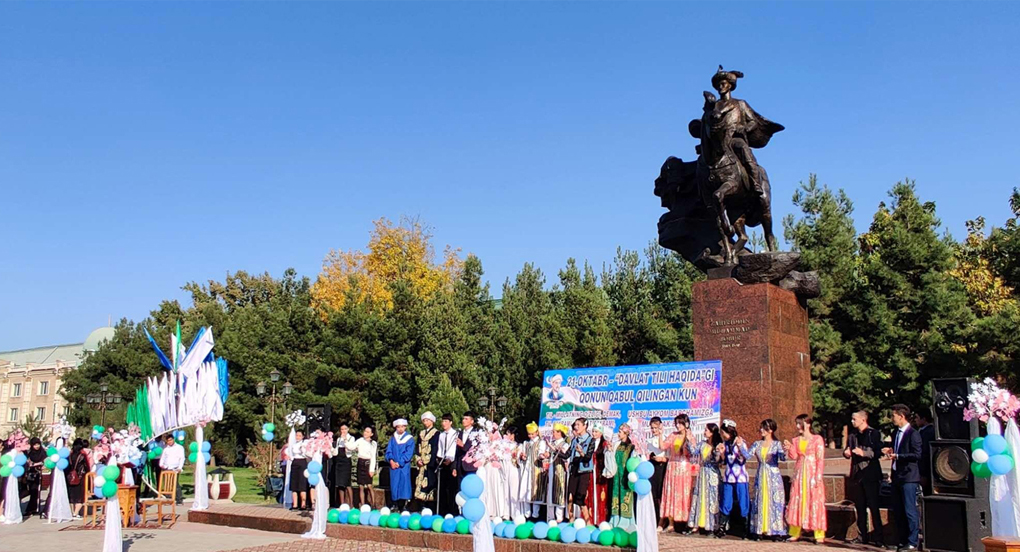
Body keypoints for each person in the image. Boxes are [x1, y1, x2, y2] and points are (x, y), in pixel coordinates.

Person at [883, 404, 922, 552]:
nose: (892, 418)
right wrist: (890, 451)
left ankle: (912, 541)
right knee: (898, 510)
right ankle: (902, 540)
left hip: (909, 477)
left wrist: (898, 456)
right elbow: (897, 449)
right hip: (897, 476)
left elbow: (917, 454)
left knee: (909, 510)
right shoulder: (895, 432)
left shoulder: (913, 434)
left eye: (893, 416)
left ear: (901, 416)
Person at [784, 414, 826, 544]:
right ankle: (795, 531)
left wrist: (818, 476)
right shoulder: (796, 440)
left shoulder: (817, 439)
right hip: (799, 473)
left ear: (808, 424)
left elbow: (820, 459)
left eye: (800, 423)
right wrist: (790, 448)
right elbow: (794, 456)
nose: (798, 426)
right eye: (796, 424)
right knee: (797, 500)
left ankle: (818, 533)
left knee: (815, 501)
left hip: (812, 473)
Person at [844, 411, 884, 547]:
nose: (852, 421)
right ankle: (862, 536)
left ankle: (878, 537)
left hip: (870, 474)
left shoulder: (874, 433)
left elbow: (878, 452)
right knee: (860, 507)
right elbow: (847, 449)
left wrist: (864, 453)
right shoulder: (852, 435)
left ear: (863, 419)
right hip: (857, 474)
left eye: (854, 419)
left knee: (873, 506)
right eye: (852, 419)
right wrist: (846, 453)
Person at [747, 419, 786, 541]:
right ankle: (759, 529)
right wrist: (740, 446)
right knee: (760, 500)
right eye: (761, 427)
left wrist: (786, 450)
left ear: (771, 430)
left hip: (773, 477)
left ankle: (775, 531)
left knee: (774, 502)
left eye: (764, 428)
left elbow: (782, 458)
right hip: (761, 475)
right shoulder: (757, 444)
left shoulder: (776, 444)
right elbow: (747, 455)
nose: (761, 430)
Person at [661, 414, 696, 533]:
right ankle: (671, 522)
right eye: (676, 423)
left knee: (683, 493)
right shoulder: (673, 435)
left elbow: (693, 452)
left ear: (686, 424)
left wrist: (688, 438)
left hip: (684, 468)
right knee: (671, 493)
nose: (678, 425)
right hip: (672, 467)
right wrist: (660, 434)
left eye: (680, 423)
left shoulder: (690, 436)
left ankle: (685, 520)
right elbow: (663, 446)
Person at [688, 423, 723, 534]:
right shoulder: (702, 444)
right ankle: (698, 523)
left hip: (712, 473)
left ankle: (712, 524)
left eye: (706, 430)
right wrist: (689, 440)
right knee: (700, 496)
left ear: (712, 433)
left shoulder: (718, 445)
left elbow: (718, 461)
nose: (704, 432)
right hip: (702, 473)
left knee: (712, 498)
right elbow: (693, 451)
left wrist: (717, 452)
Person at [718, 420, 750, 538]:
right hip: (728, 477)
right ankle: (722, 526)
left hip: (740, 477)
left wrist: (740, 446)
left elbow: (746, 457)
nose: (722, 435)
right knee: (726, 501)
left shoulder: (740, 442)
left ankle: (745, 527)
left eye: (724, 433)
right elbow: (724, 462)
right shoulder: (725, 444)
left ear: (730, 432)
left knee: (743, 501)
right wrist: (721, 453)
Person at [567, 418, 595, 524]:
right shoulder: (574, 440)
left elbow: (588, 457)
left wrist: (581, 452)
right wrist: (554, 450)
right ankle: (570, 521)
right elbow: (567, 454)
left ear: (585, 426)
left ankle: (588, 523)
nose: (576, 427)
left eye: (578, 425)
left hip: (584, 471)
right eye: (575, 425)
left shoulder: (590, 440)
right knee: (570, 496)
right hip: (574, 469)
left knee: (580, 498)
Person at [609, 423, 636, 528]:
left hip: (626, 474)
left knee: (626, 496)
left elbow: (633, 461)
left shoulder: (631, 446)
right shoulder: (617, 445)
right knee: (616, 495)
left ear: (626, 433)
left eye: (620, 432)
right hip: (617, 474)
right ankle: (615, 519)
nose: (618, 434)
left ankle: (626, 520)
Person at [585, 424, 612, 526]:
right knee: (590, 494)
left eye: (596, 432)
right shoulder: (590, 442)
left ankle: (601, 519)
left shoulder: (604, 444)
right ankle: (591, 520)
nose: (594, 433)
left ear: (601, 433)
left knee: (601, 495)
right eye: (593, 431)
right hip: (591, 472)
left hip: (600, 473)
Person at [519, 422, 548, 520]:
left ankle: (535, 514)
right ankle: (527, 514)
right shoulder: (526, 443)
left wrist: (541, 456)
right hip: (527, 469)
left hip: (536, 469)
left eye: (532, 434)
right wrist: (522, 456)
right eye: (529, 434)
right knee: (526, 490)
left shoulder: (541, 442)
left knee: (535, 490)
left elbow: (541, 453)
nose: (531, 436)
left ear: (536, 432)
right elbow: (523, 455)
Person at [413, 412, 440, 510]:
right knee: (420, 483)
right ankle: (421, 505)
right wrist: (418, 459)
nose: (425, 422)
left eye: (427, 420)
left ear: (432, 421)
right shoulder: (421, 433)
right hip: (421, 464)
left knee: (429, 483)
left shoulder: (436, 433)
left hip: (430, 464)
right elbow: (417, 447)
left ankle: (430, 505)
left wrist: (427, 460)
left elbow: (435, 448)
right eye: (424, 420)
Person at [386, 418, 415, 511]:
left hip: (403, 466)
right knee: (394, 485)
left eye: (402, 426)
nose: (400, 429)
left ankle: (404, 505)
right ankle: (395, 504)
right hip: (393, 466)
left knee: (404, 485)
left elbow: (409, 453)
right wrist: (391, 461)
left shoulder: (409, 439)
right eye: (398, 427)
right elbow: (389, 451)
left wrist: (400, 462)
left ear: (405, 427)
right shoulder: (393, 439)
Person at [547, 423, 571, 523]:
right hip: (551, 470)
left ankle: (559, 517)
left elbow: (565, 457)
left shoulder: (565, 444)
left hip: (560, 470)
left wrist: (555, 450)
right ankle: (550, 517)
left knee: (559, 491)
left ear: (560, 433)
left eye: (554, 432)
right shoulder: (552, 443)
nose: (553, 434)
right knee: (550, 492)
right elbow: (548, 455)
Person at [647, 417, 669, 525]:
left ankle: (662, 520)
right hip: (652, 467)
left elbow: (669, 456)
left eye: (656, 428)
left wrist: (662, 459)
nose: (654, 430)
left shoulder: (666, 439)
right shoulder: (649, 441)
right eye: (652, 428)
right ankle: (654, 518)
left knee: (661, 494)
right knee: (653, 494)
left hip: (662, 467)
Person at [436, 414, 458, 515]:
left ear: (450, 422)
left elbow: (454, 448)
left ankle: (452, 510)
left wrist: (450, 459)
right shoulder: (441, 435)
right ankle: (442, 511)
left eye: (446, 421)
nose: (444, 423)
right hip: (442, 461)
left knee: (451, 488)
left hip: (451, 462)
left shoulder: (455, 434)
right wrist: (439, 458)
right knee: (442, 487)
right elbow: (440, 448)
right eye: (443, 421)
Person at [351, 426, 378, 508]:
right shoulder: (360, 440)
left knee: (369, 485)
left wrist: (371, 469)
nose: (365, 433)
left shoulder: (373, 443)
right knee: (361, 486)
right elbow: (351, 447)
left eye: (368, 432)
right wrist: (345, 440)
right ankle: (362, 505)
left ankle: (373, 505)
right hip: (360, 463)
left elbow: (373, 457)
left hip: (367, 463)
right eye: (365, 431)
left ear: (371, 434)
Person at [332, 423, 356, 506]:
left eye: (345, 429)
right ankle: (342, 504)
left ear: (348, 429)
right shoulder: (339, 439)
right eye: (342, 429)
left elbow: (350, 448)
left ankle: (351, 504)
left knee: (347, 483)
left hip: (346, 461)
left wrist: (345, 440)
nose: (343, 431)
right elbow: (336, 451)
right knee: (340, 484)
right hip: (339, 461)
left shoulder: (351, 438)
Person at [455, 412, 482, 485]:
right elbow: (456, 451)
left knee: (470, 485)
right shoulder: (460, 433)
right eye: (463, 419)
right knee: (460, 486)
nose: (463, 421)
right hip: (460, 465)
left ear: (472, 421)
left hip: (470, 466)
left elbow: (475, 449)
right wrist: (454, 466)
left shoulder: (477, 434)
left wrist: (463, 445)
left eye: (466, 419)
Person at [158, 433, 185, 505]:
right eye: (168, 441)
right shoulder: (166, 449)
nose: (170, 442)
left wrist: (180, 467)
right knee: (167, 484)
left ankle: (179, 500)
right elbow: (163, 458)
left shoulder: (179, 447)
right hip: (167, 468)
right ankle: (169, 499)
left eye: (171, 440)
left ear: (173, 439)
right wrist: (161, 465)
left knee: (175, 484)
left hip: (175, 468)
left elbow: (182, 458)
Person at [286, 430, 309, 510]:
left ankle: (303, 504)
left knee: (302, 484)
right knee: (294, 484)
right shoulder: (294, 444)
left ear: (303, 436)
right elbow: (291, 453)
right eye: (297, 435)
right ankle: (295, 504)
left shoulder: (305, 444)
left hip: (302, 462)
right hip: (295, 462)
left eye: (299, 436)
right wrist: (290, 457)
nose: (298, 437)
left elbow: (306, 454)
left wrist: (302, 449)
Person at [67, 438, 89, 519]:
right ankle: (76, 513)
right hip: (79, 478)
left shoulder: (69, 455)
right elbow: (87, 466)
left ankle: (72, 512)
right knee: (80, 497)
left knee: (72, 496)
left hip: (70, 478)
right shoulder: (82, 455)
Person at [23, 438, 46, 517]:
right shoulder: (29, 453)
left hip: (38, 474)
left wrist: (41, 465)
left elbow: (45, 462)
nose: (37, 446)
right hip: (30, 474)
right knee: (31, 491)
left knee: (36, 491)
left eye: (38, 444)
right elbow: (28, 463)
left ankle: (33, 509)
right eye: (35, 445)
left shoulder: (42, 452)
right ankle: (32, 508)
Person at [914, 410, 935, 496]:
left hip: (926, 471)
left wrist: (923, 474)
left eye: (917, 417)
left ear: (923, 419)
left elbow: (925, 453)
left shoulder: (929, 432)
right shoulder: (921, 431)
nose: (915, 420)